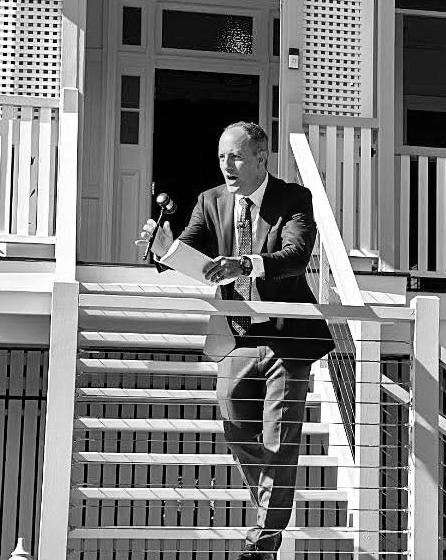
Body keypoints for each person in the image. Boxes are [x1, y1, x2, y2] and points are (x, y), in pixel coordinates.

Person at [139, 122, 334, 559]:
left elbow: (296, 256)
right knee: (235, 424)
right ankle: (270, 501)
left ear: (261, 159)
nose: (226, 165)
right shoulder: (210, 200)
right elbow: (188, 249)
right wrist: (164, 249)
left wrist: (244, 264)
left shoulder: (293, 198)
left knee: (279, 439)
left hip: (287, 336)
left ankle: (263, 542)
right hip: (237, 335)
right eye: (221, 156)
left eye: (237, 157)